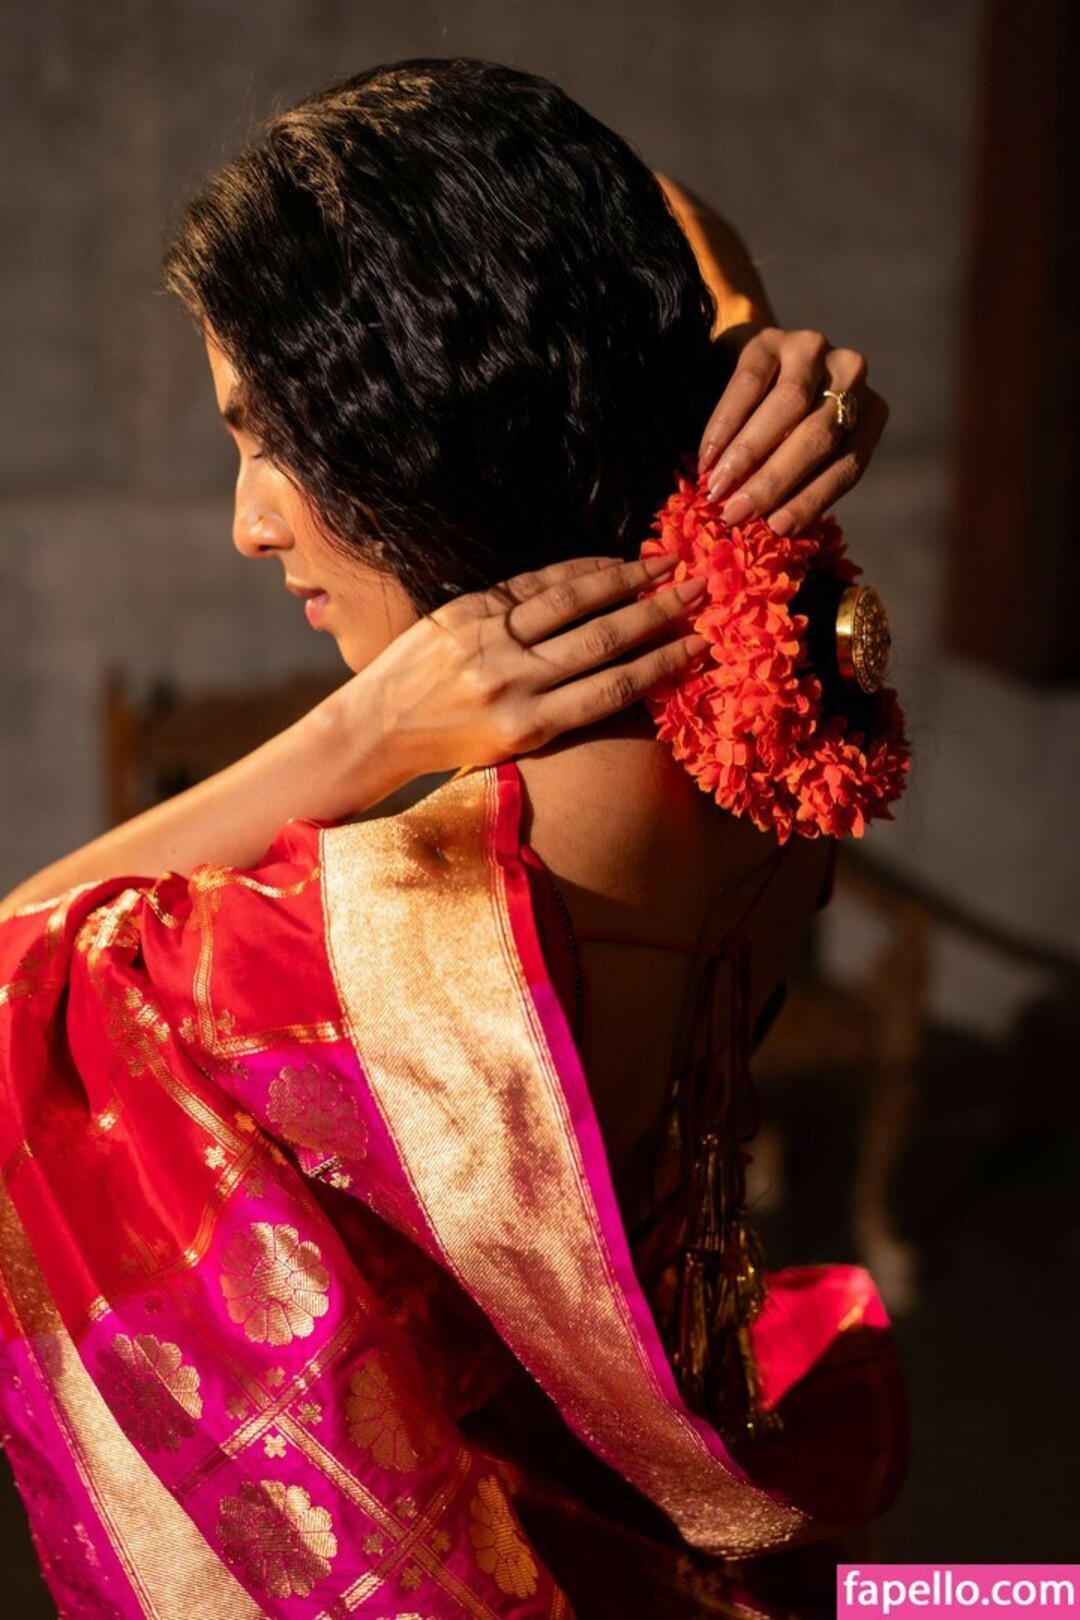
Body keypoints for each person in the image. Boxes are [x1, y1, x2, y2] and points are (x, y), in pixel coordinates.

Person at [0, 59, 903, 1619]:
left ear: (412, 415)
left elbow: (17, 993)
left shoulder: (446, 893)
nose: (249, 520)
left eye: (270, 439)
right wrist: (764, 344)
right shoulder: (760, 637)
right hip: (699, 1487)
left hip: (523, 1561)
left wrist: (353, 737)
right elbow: (642, 235)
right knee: (1016, 1599)